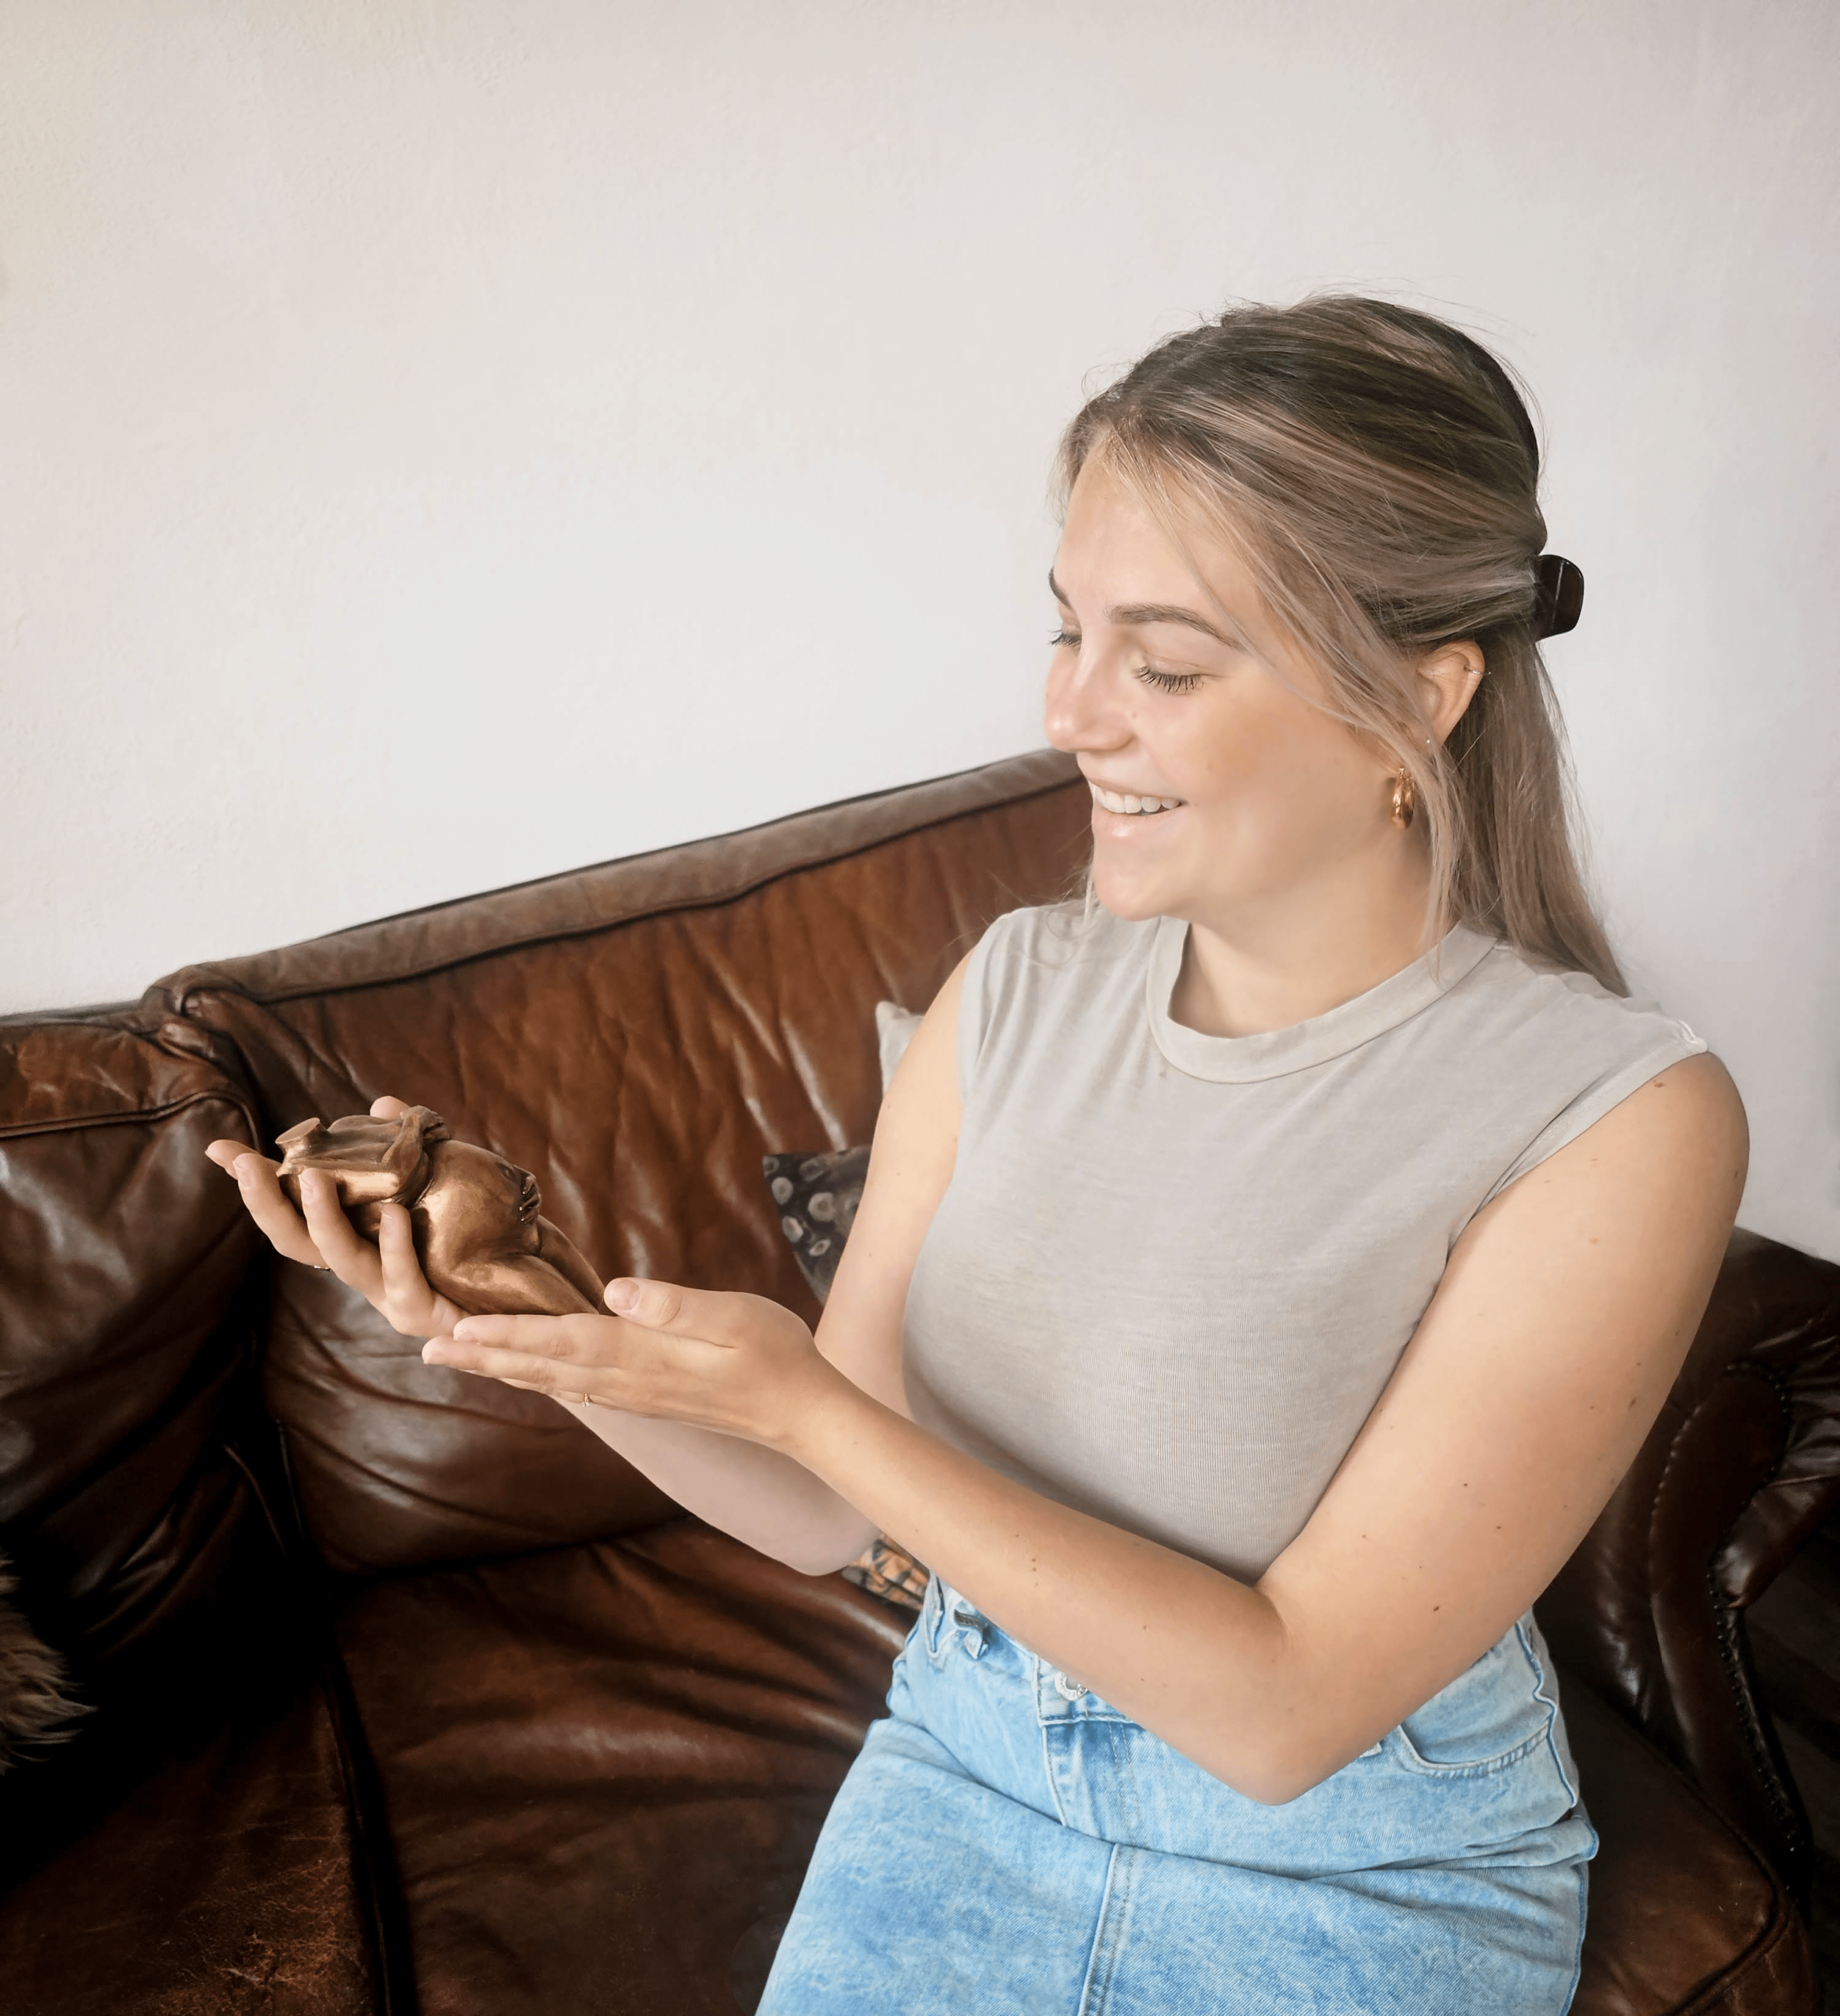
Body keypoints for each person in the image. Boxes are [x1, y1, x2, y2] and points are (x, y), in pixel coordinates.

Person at [208, 296, 1747, 2014]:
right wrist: (506, 1317)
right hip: (965, 1767)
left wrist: (815, 1404)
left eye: (1161, 662)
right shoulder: (1012, 984)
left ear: (1419, 693)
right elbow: (814, 1509)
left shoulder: (1614, 1111)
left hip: (1351, 1857)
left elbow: (1283, 1705)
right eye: (1066, 630)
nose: (1070, 709)